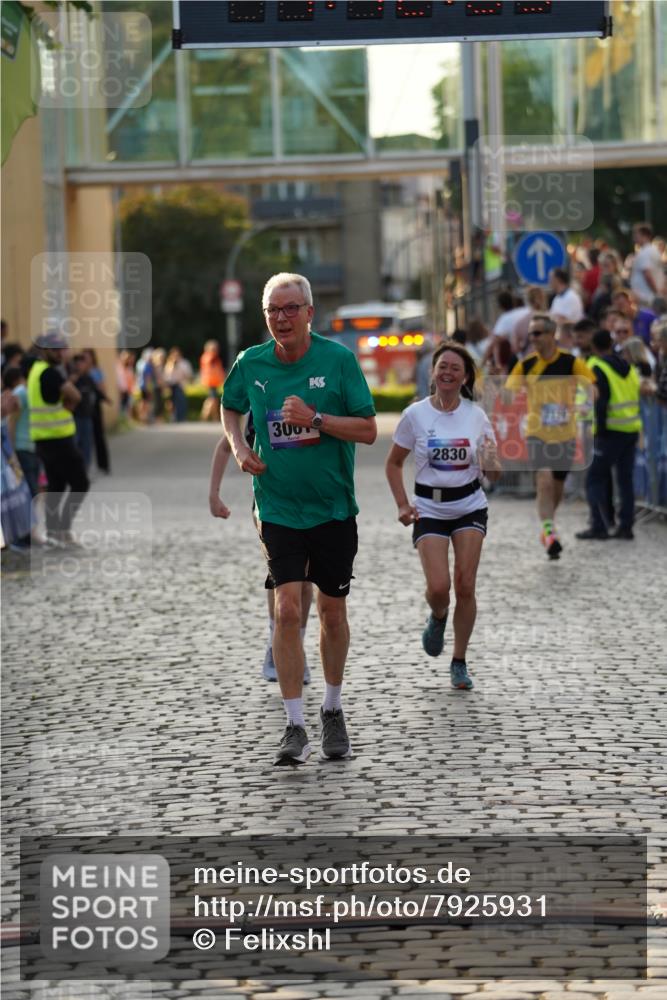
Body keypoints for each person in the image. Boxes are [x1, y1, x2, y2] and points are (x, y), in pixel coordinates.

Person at [222, 272, 376, 766]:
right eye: (273, 310)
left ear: (310, 312)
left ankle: (332, 708)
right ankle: (294, 724)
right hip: (277, 506)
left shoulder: (338, 360)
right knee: (287, 610)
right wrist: (240, 447)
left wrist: (316, 420)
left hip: (331, 506)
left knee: (332, 613)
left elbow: (370, 430)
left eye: (291, 309)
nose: (282, 318)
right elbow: (229, 409)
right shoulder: (251, 363)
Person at [385, 342, 501, 691]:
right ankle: (438, 616)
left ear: (465, 377)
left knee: (465, 584)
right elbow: (393, 463)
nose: (448, 372)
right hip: (430, 508)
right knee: (439, 588)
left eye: (455, 368)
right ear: (433, 373)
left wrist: (490, 460)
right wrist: (403, 505)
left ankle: (459, 660)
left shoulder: (476, 416)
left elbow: (494, 474)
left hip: (468, 505)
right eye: (442, 366)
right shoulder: (415, 415)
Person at [208, 427, 314, 683]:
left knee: (307, 577)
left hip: (312, 501)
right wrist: (214, 494)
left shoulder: (312, 396)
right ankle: (275, 642)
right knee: (281, 574)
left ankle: (295, 644)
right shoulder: (260, 401)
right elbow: (226, 444)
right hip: (270, 505)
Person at [505, 314, 596, 559]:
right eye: (531, 334)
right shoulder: (525, 365)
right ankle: (550, 530)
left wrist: (584, 404)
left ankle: (547, 527)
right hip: (536, 432)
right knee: (544, 478)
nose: (532, 338)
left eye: (537, 333)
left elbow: (592, 387)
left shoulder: (570, 362)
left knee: (556, 488)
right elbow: (508, 393)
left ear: (550, 335)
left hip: (565, 434)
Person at [575, 329, 641, 541]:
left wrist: (598, 431)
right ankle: (626, 526)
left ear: (594, 346)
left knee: (594, 478)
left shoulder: (596, 367)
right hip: (630, 430)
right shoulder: (627, 367)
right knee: (625, 481)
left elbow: (600, 402)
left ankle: (600, 526)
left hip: (609, 432)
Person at [26, 331, 89, 546]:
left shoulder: (35, 371)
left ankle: (54, 532)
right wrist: (68, 406)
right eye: (57, 350)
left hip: (43, 439)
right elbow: (76, 395)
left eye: (63, 349)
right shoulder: (51, 374)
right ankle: (62, 529)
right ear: (46, 351)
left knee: (56, 486)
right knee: (81, 482)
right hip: (58, 439)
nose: (62, 353)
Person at [630, 223, 665, 308]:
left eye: (636, 235)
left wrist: (657, 293)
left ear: (645, 235)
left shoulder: (645, 252)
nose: (634, 238)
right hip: (649, 296)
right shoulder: (654, 250)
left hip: (645, 297)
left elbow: (647, 274)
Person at [165, 347, 193, 423]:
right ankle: (173, 416)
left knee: (181, 401)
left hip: (180, 385)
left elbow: (188, 374)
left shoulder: (184, 363)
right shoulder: (169, 363)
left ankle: (181, 417)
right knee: (171, 402)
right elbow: (167, 375)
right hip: (171, 385)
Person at [200, 340, 225, 421]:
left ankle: (215, 417)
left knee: (214, 400)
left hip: (213, 382)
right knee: (212, 399)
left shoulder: (213, 358)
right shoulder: (209, 358)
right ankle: (205, 416)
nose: (216, 351)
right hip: (210, 382)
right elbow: (213, 370)